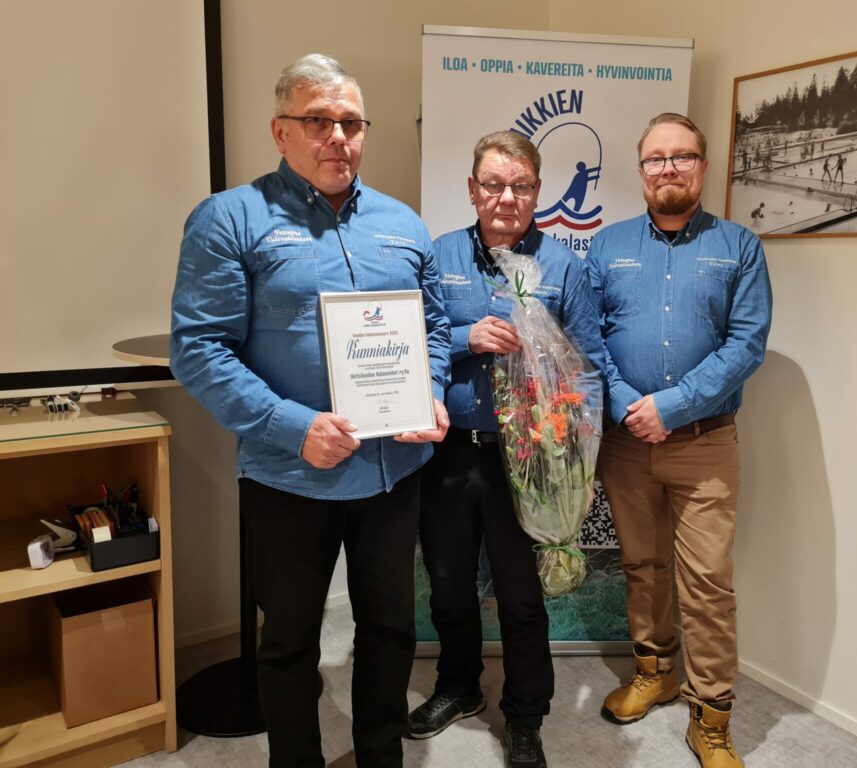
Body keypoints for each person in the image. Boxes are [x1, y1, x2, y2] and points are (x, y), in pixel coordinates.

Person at [170, 53, 451, 768]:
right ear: (281, 131)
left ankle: (380, 757)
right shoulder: (230, 218)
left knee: (390, 631)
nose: (338, 138)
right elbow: (198, 349)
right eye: (318, 121)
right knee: (290, 643)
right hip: (290, 475)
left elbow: (435, 329)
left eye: (351, 123)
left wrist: (433, 393)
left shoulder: (403, 223)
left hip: (393, 473)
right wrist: (292, 427)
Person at [407, 131, 604, 768]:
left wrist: (576, 458)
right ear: (472, 190)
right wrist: (468, 336)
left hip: (529, 462)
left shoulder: (564, 267)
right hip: (448, 453)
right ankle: (459, 686)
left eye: (520, 186)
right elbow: (415, 338)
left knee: (521, 595)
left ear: (538, 192)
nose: (506, 197)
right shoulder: (439, 255)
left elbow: (589, 364)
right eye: (493, 184)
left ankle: (525, 715)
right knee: (448, 584)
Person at [586, 113, 772, 768]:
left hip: (704, 443)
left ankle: (711, 717)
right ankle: (655, 672)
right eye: (655, 158)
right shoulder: (607, 247)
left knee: (708, 582)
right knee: (642, 567)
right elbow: (588, 338)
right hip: (626, 443)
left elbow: (747, 344)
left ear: (702, 166)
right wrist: (625, 404)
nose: (668, 168)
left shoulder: (739, 246)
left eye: (682, 157)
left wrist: (672, 405)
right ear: (641, 170)